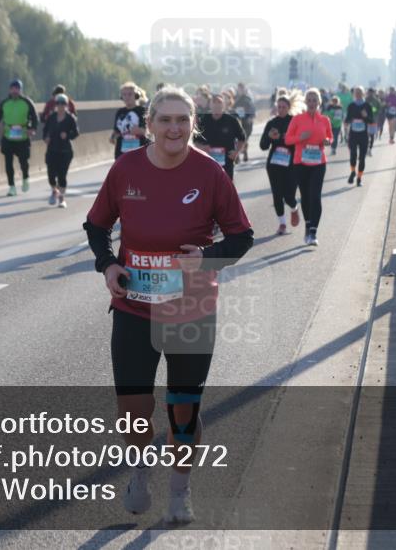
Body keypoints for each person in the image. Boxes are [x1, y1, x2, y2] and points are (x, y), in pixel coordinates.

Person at [82, 85, 254, 524]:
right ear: (150, 125)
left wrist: (207, 258)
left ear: (193, 125)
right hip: (134, 308)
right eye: (165, 120)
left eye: (182, 120)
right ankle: (140, 471)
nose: (173, 128)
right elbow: (97, 225)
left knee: (183, 408)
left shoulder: (211, 173)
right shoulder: (126, 169)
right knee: (132, 413)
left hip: (191, 308)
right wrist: (107, 266)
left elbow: (241, 236)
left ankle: (180, 488)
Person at [284, 88, 333, 246]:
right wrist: (300, 137)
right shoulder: (298, 119)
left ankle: (313, 232)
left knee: (315, 196)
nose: (312, 103)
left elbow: (330, 137)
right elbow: (287, 140)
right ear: (306, 102)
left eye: (314, 100)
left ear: (319, 102)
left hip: (319, 163)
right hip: (301, 163)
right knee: (305, 196)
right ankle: (307, 223)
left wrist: (327, 141)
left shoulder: (325, 120)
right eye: (309, 100)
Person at [260, 94, 301, 235]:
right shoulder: (271, 123)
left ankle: (294, 208)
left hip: (292, 165)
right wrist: (269, 137)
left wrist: (283, 137)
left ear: (289, 108)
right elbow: (263, 146)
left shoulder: (295, 122)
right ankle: (282, 224)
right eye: (279, 107)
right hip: (274, 164)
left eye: (284, 107)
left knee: (289, 196)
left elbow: (300, 141)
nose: (281, 109)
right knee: (277, 195)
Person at [0, 79, 39, 196]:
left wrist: (32, 129)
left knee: (23, 161)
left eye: (17, 89)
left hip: (22, 136)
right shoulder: (4, 103)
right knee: (8, 163)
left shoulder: (27, 102)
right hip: (8, 136)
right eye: (12, 88)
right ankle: (12, 187)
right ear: (9, 90)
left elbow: (35, 118)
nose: (14, 91)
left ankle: (25, 178)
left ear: (20, 90)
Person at [195, 94, 246, 181]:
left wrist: (236, 152)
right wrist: (201, 147)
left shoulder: (232, 120)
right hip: (207, 162)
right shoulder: (203, 120)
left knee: (226, 190)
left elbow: (242, 138)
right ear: (210, 104)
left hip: (227, 162)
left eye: (219, 102)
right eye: (214, 102)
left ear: (224, 105)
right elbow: (194, 140)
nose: (217, 104)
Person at [43, 94, 79, 208]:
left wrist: (67, 135)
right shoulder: (51, 117)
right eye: (58, 103)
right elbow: (45, 131)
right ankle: (54, 190)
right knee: (51, 175)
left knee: (62, 176)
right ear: (55, 105)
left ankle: (62, 198)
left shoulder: (70, 118)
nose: (60, 106)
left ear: (66, 105)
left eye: (63, 103)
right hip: (52, 150)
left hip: (65, 151)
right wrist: (46, 138)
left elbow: (76, 133)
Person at [110, 82, 149, 159]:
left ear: (136, 95)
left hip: (139, 150)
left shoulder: (142, 110)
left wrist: (138, 130)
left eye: (130, 94)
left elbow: (147, 131)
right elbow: (116, 130)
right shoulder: (120, 112)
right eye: (124, 94)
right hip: (121, 151)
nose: (127, 97)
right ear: (121, 97)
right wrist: (112, 137)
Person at [346, 86, 375, 187]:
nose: (357, 94)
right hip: (353, 134)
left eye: (359, 92)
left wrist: (365, 116)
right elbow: (347, 119)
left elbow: (371, 121)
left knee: (362, 158)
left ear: (363, 94)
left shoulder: (367, 106)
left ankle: (359, 178)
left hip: (363, 135)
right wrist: (348, 121)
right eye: (356, 92)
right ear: (354, 94)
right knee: (353, 155)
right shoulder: (351, 106)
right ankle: (353, 172)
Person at [232, 83, 256, 162]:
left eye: (241, 89)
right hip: (237, 121)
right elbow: (232, 108)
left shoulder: (248, 99)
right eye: (239, 89)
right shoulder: (235, 98)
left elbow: (252, 109)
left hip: (246, 121)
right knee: (236, 139)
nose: (240, 90)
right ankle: (237, 155)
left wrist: (251, 117)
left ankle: (245, 152)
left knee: (244, 139)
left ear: (244, 89)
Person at [365, 88, 382, 156]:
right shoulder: (365, 100)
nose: (370, 94)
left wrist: (374, 111)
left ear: (374, 93)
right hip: (365, 120)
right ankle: (366, 149)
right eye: (369, 92)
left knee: (372, 135)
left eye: (372, 93)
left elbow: (379, 109)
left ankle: (370, 149)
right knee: (365, 135)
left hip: (373, 120)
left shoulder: (376, 101)